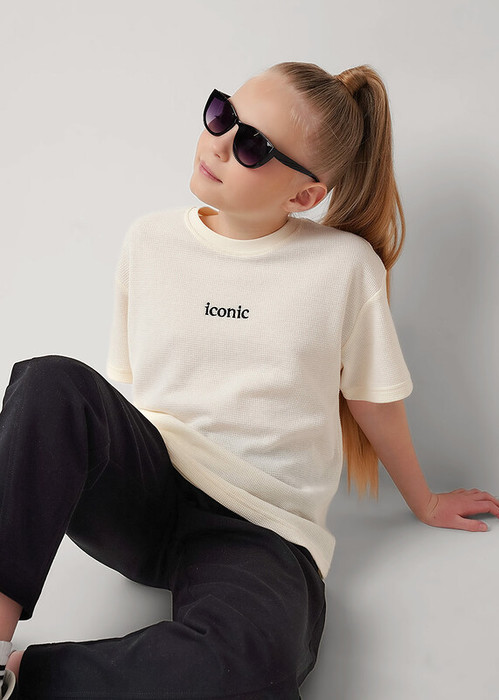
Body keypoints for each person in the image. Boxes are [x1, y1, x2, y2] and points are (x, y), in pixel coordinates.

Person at [1, 61, 498, 700]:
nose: (219, 143)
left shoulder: (345, 269)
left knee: (254, 664)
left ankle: (23, 681)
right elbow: (117, 392)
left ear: (305, 196)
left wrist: (423, 502)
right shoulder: (149, 241)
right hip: (147, 495)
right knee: (50, 383)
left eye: (253, 145)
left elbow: (373, 403)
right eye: (222, 114)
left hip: (259, 528)